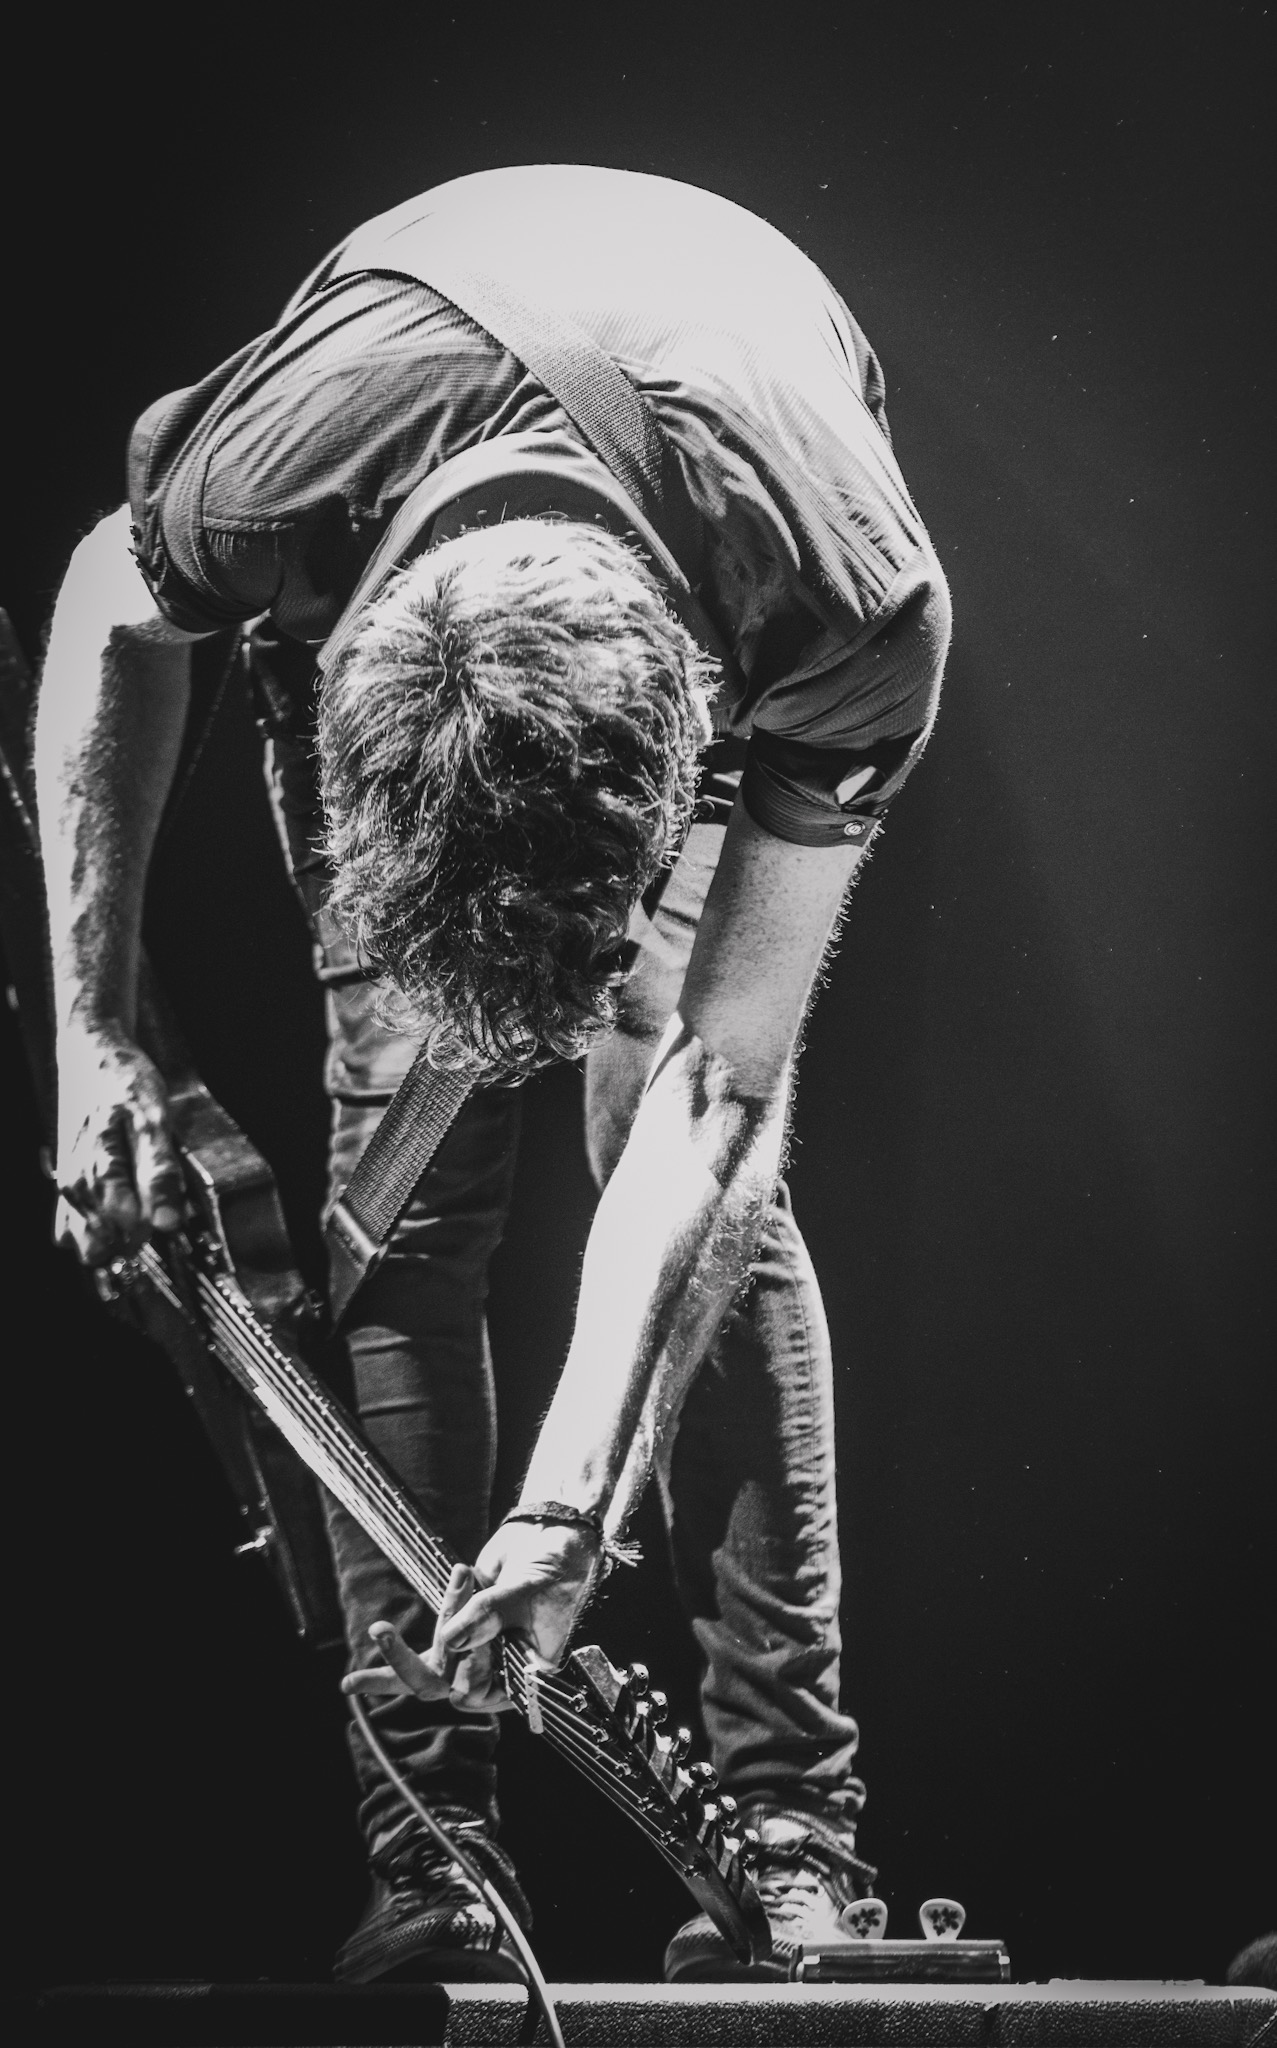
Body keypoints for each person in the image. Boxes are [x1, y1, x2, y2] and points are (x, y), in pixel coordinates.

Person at [34, 165, 950, 1984]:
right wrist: (95, 1033)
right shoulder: (267, 490)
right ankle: (434, 1845)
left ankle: (792, 1829)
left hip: (706, 559)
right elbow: (100, 605)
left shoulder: (848, 616)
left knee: (696, 1183)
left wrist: (569, 1503)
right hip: (420, 515)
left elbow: (720, 1083)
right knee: (399, 1205)